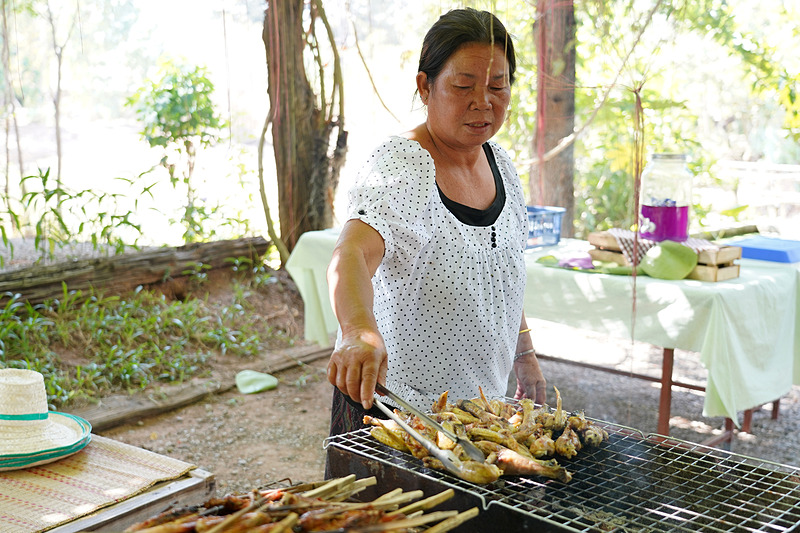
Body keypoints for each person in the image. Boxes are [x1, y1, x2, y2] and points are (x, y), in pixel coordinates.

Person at [326, 7, 546, 438]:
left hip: (478, 415)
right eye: (463, 85)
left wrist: (525, 354)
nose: (483, 102)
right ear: (425, 87)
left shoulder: (501, 165)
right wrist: (358, 331)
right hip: (395, 410)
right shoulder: (402, 165)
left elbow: (500, 273)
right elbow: (351, 253)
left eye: (497, 86)